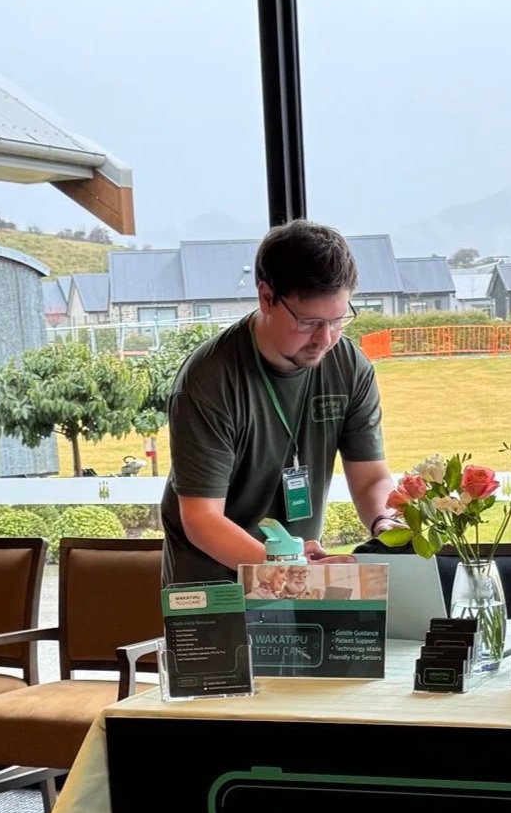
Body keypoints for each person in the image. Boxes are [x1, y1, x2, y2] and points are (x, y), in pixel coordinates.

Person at [160, 219, 405, 586]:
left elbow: (371, 479)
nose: (325, 339)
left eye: (338, 321)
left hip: (297, 582)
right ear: (266, 297)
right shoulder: (209, 380)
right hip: (212, 588)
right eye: (308, 322)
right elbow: (201, 520)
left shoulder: (349, 366)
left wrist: (387, 521)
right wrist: (291, 568)